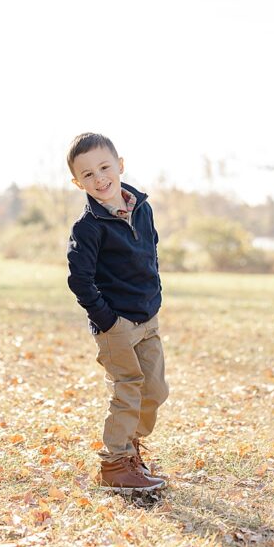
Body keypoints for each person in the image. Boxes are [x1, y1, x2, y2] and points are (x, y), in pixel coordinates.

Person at [66, 132, 169, 493]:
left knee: (155, 391)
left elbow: (150, 254)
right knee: (128, 388)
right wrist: (107, 319)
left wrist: (154, 296)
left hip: (148, 317)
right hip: (116, 325)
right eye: (88, 174)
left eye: (105, 167)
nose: (100, 178)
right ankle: (115, 464)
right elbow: (79, 279)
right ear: (78, 182)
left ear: (120, 165)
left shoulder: (142, 208)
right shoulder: (88, 227)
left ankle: (130, 447)